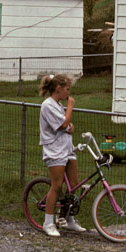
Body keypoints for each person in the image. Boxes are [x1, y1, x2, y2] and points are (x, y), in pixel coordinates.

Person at [38, 73, 87, 237]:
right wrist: (70, 107)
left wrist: (69, 126)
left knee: (73, 185)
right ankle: (48, 222)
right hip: (55, 150)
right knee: (57, 186)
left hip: (67, 148)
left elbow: (65, 124)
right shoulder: (47, 105)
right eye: (67, 89)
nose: (69, 93)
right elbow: (62, 124)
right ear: (58, 88)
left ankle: (67, 218)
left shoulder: (57, 105)